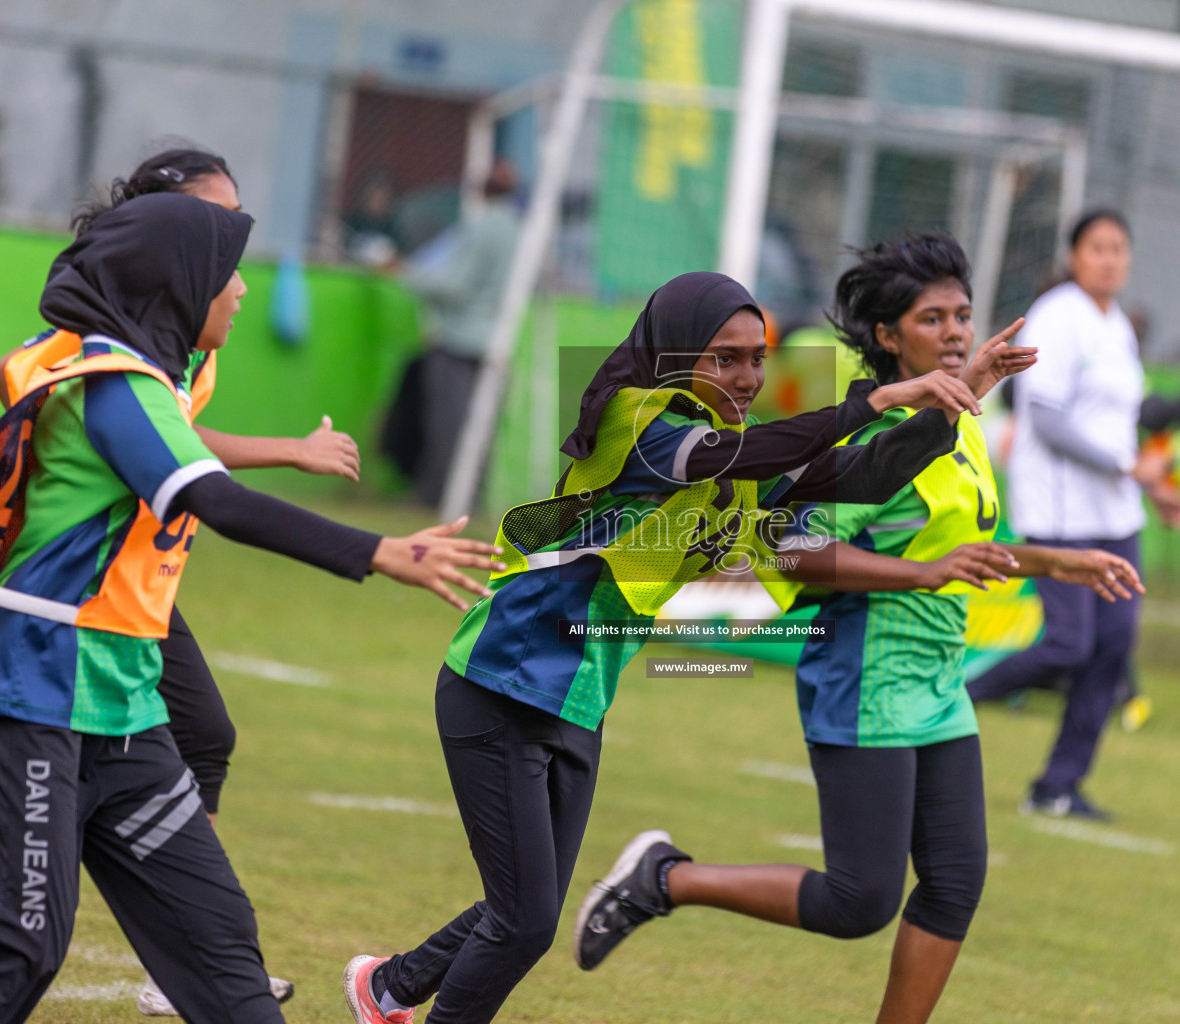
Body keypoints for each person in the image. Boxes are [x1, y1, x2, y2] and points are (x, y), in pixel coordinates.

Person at [342, 270, 1022, 1024]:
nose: (747, 375)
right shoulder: (640, 420)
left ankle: (388, 988)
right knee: (526, 920)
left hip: (575, 696)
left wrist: (957, 403)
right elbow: (736, 455)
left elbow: (860, 474)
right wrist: (876, 399)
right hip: (501, 683)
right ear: (672, 356)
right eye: (723, 357)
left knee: (526, 909)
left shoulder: (739, 453)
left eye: (757, 357)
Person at [0, 192, 505, 1024]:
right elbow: (218, 501)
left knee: (223, 953)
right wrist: (378, 551)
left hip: (126, 721)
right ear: (177, 284)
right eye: (225, 274)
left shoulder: (158, 388)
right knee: (20, 955)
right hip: (33, 704)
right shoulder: (116, 387)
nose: (238, 292)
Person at [569, 234, 1141, 1024]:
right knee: (859, 899)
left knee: (954, 882)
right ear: (886, 335)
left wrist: (1053, 560)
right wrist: (919, 576)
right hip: (867, 676)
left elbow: (952, 548)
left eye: (963, 315)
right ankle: (666, 877)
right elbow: (791, 550)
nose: (953, 331)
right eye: (931, 317)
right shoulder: (873, 438)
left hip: (936, 680)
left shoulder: (962, 419)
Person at [965, 209, 1180, 821]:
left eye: (1119, 247)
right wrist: (1124, 468)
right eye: (1097, 247)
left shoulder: (1116, 324)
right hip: (1061, 514)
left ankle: (1057, 787)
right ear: (1074, 255)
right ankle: (948, 700)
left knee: (1112, 647)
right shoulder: (1057, 315)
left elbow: (1120, 425)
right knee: (1068, 645)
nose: (1110, 258)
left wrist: (1154, 486)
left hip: (1117, 516)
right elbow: (1048, 418)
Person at [402, 158, 521, 506]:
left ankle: (434, 496)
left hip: (458, 339)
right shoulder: (521, 230)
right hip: (498, 342)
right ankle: (472, 497)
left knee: (447, 425)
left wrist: (410, 275)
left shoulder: (480, 226)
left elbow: (455, 286)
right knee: (481, 427)